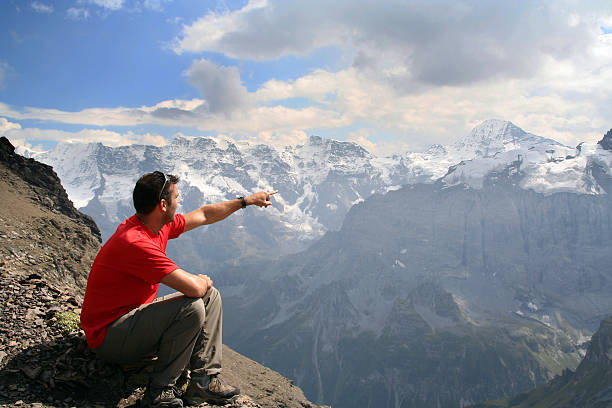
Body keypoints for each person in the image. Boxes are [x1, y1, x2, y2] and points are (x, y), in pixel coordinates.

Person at [80, 171, 277, 407]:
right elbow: (193, 288)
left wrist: (246, 201)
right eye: (177, 197)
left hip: (131, 322)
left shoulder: (155, 225)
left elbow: (204, 214)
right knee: (192, 306)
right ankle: (160, 391)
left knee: (210, 297)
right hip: (109, 338)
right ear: (163, 205)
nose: (180, 201)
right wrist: (202, 280)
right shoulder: (136, 242)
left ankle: (204, 382)